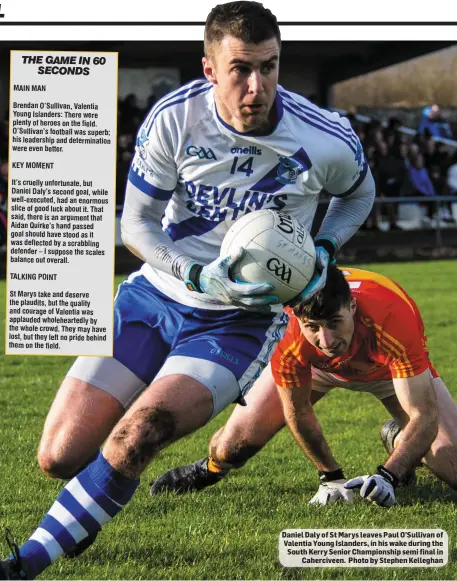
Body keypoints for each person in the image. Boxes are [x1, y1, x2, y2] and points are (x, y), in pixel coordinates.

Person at [0, 2, 375, 579]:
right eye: (241, 70)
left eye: (270, 67)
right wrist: (194, 272)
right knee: (59, 457)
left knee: (139, 432)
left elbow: (359, 194)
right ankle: (84, 512)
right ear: (209, 68)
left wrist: (323, 249)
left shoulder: (323, 135)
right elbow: (136, 224)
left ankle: (22, 564)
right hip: (154, 297)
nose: (258, 87)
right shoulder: (174, 120)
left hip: (237, 320)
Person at [151, 265, 457, 508]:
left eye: (335, 323)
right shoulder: (289, 332)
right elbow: (297, 410)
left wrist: (387, 475)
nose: (326, 341)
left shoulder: (389, 316)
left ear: (352, 306)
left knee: (452, 465)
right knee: (230, 447)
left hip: (387, 372)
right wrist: (331, 476)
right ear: (298, 317)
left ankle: (399, 437)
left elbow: (424, 415)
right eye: (313, 327)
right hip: (315, 368)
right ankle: (210, 469)